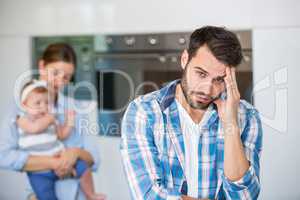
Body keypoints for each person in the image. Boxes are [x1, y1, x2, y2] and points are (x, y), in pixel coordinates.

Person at [121, 26, 263, 200]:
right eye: (201, 74)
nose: (207, 89)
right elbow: (148, 195)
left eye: (219, 80)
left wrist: (230, 123)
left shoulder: (247, 117)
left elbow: (246, 196)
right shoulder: (143, 112)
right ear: (184, 59)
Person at [0, 43, 104, 200]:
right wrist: (55, 163)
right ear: (42, 66)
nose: (59, 82)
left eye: (66, 77)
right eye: (55, 72)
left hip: (76, 195)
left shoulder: (75, 108)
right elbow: (3, 156)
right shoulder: (20, 107)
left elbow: (94, 159)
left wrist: (74, 153)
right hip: (38, 192)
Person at [17, 80, 106, 200]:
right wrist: (50, 119)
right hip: (39, 171)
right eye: (38, 103)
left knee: (83, 167)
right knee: (45, 194)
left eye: (47, 103)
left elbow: (62, 135)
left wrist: (69, 122)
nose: (43, 106)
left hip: (60, 159)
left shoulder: (51, 119)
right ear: (24, 105)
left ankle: (90, 194)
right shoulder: (22, 119)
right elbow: (34, 128)